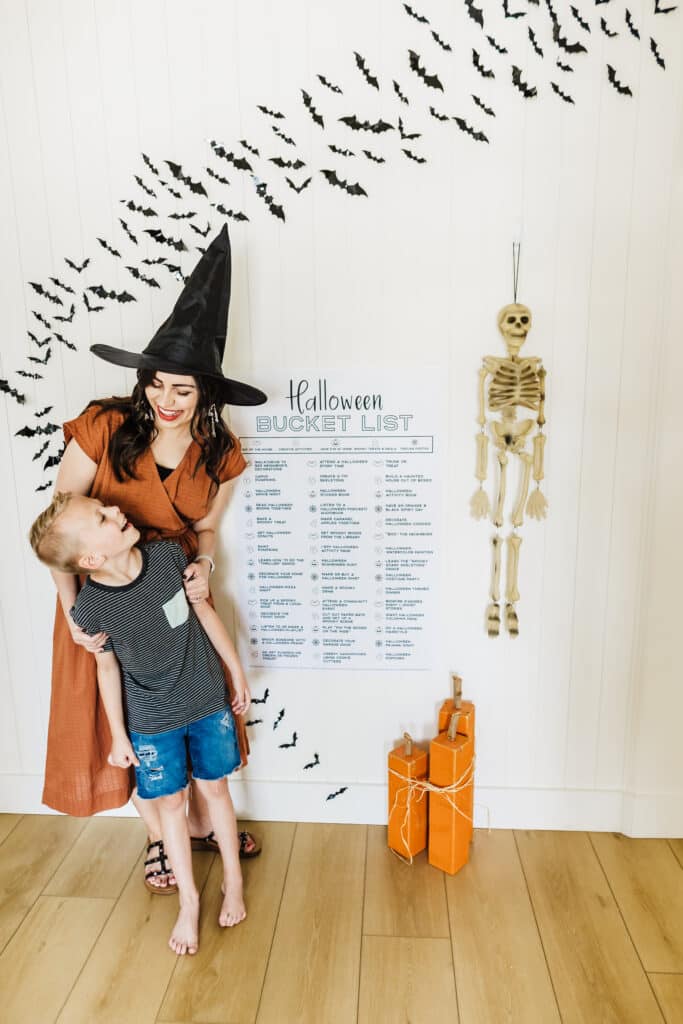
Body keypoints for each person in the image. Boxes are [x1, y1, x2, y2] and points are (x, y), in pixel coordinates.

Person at [44, 225, 267, 892]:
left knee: (193, 710)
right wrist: (73, 615)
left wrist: (206, 567)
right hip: (104, 601)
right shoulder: (104, 426)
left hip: (175, 594)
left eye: (184, 391)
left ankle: (201, 823)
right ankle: (157, 835)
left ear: (206, 396)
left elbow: (207, 531)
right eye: (157, 385)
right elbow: (61, 527)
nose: (166, 402)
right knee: (126, 725)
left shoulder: (220, 452)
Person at [31, 491, 249, 955]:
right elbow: (106, 668)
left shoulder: (168, 558)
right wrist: (118, 734)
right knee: (170, 804)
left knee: (215, 790)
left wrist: (235, 670)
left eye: (107, 507)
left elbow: (204, 612)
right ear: (91, 558)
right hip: (152, 721)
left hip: (207, 702)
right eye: (102, 517)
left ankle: (233, 881)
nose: (116, 511)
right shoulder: (91, 609)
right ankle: (189, 902)